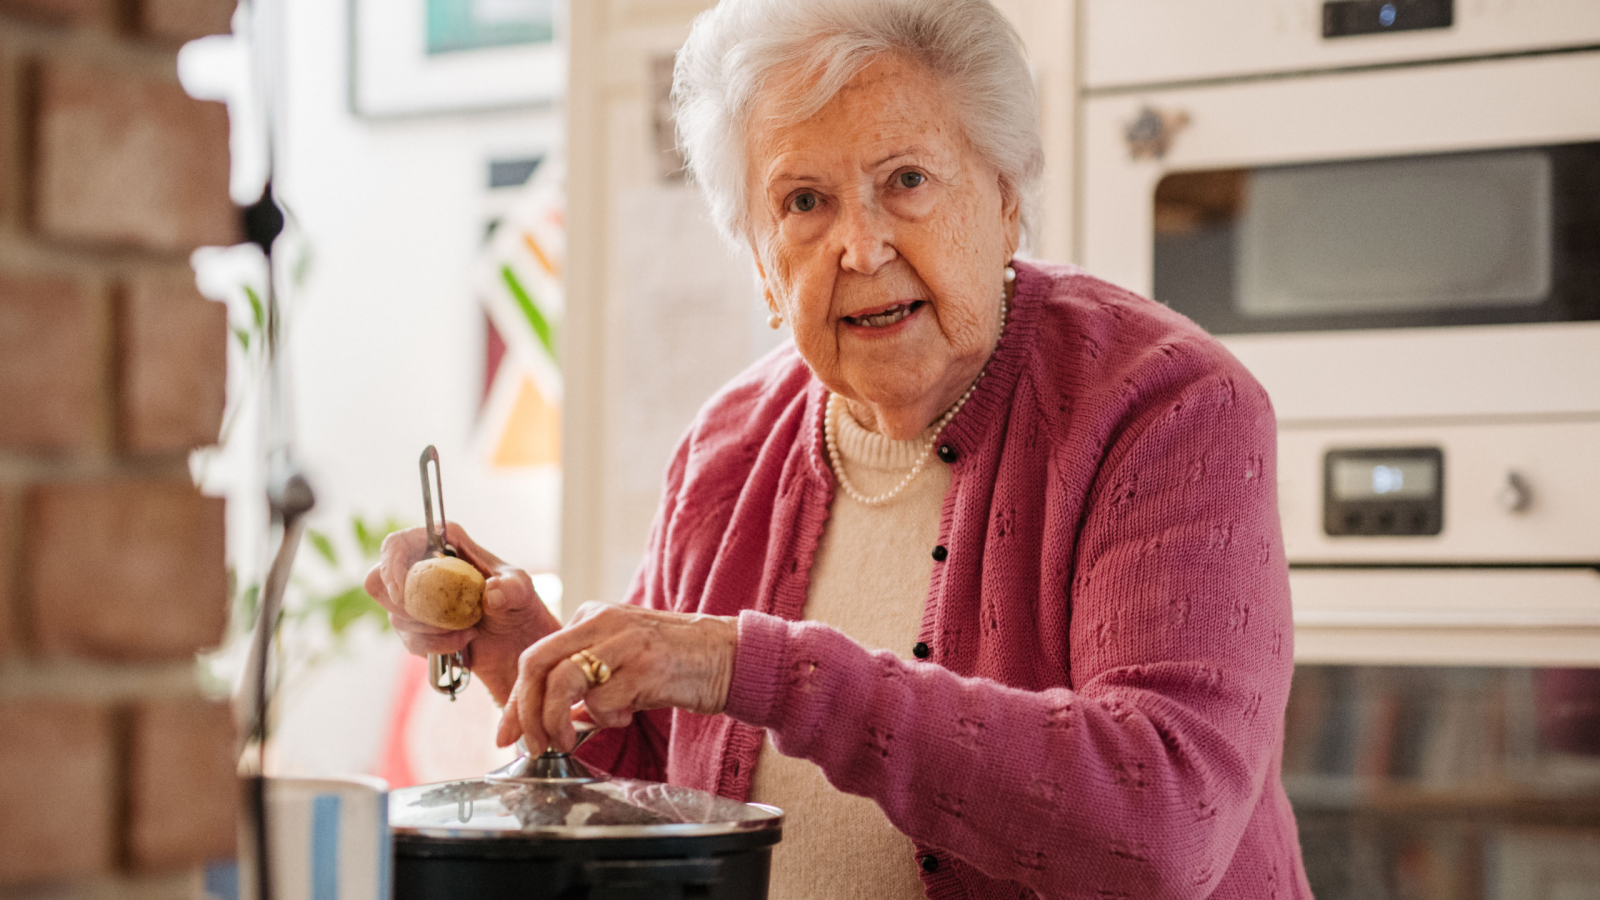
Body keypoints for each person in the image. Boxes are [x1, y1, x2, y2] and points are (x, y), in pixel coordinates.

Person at [366, 0, 1312, 896]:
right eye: (805, 200)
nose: (859, 247)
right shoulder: (727, 451)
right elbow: (666, 779)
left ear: (1004, 197)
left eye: (905, 180)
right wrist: (542, 668)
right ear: (762, 265)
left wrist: (755, 667)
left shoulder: (1166, 409)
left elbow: (1164, 826)